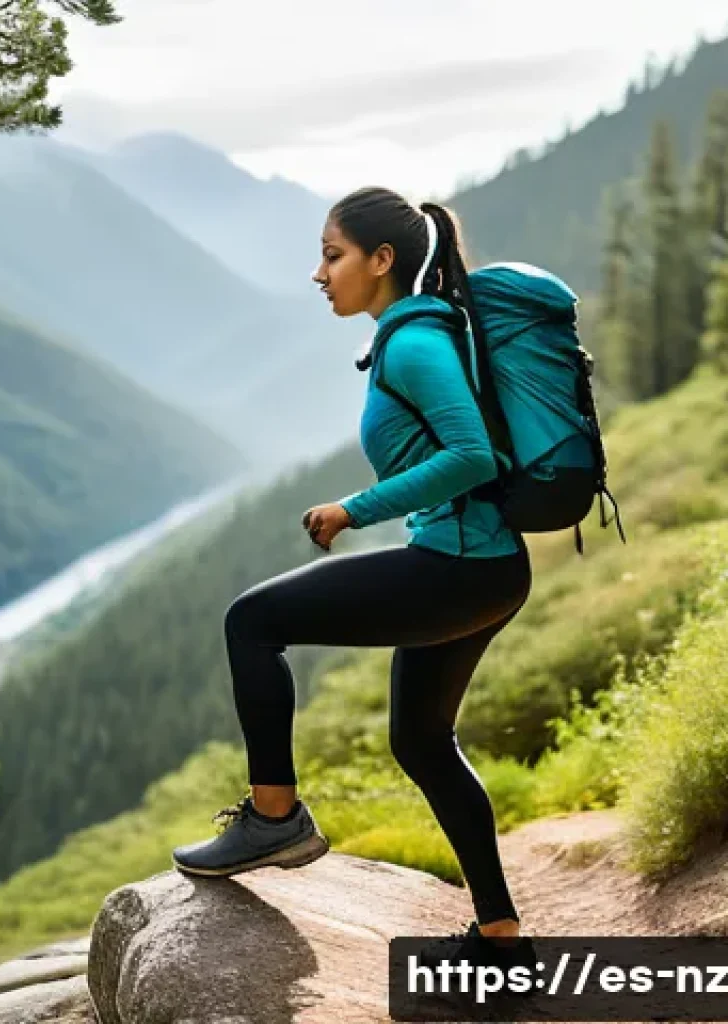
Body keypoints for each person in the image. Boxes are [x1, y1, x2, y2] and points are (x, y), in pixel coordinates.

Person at [171, 187, 535, 959]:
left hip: (459, 567)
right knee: (424, 743)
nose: (319, 273)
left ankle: (275, 820)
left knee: (252, 621)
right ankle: (500, 934)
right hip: (483, 566)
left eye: (333, 255)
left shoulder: (414, 345)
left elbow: (473, 456)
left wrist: (353, 509)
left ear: (381, 261)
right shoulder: (415, 334)